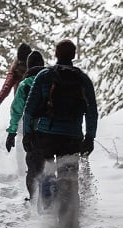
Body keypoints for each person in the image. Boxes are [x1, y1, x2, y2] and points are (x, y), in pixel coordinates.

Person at [21, 39, 97, 204]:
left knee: (46, 173)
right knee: (69, 179)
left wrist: (27, 134)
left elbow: (29, 109)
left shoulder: (44, 76)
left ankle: (47, 213)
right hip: (72, 138)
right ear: (73, 55)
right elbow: (92, 111)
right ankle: (68, 220)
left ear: (56, 54)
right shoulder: (82, 79)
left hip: (45, 136)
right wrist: (90, 137)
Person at [4, 50, 46, 193]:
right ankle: (49, 195)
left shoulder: (25, 84)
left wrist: (11, 132)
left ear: (28, 67)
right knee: (48, 163)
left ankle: (34, 198)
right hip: (51, 129)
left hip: (32, 131)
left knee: (33, 166)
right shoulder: (51, 81)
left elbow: (16, 111)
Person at [0, 43, 31, 117]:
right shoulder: (15, 69)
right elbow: (7, 86)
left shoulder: (35, 68)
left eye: (24, 64)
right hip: (19, 104)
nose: (22, 66)